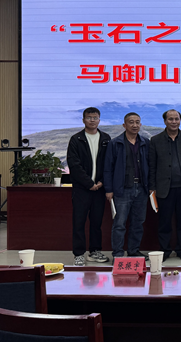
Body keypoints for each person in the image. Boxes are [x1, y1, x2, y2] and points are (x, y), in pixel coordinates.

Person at [67, 107, 111, 266]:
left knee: (96, 222)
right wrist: (89, 183)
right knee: (79, 222)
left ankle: (95, 251)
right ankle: (79, 254)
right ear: (83, 120)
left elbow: (109, 162)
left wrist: (101, 182)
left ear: (99, 120)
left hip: (100, 188)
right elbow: (74, 164)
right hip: (82, 189)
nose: (92, 120)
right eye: (89, 117)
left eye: (95, 117)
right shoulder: (76, 139)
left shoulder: (106, 138)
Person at [104, 112, 150, 260]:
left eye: (137, 122)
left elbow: (150, 165)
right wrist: (109, 189)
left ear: (140, 124)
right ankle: (118, 254)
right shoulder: (115, 143)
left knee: (138, 223)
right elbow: (108, 168)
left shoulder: (145, 143)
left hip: (141, 189)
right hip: (122, 189)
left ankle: (133, 251)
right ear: (124, 125)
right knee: (119, 224)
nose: (134, 125)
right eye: (131, 122)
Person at [149, 110, 181, 261]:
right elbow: (152, 166)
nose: (174, 122)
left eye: (176, 119)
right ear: (165, 121)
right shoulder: (155, 140)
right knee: (164, 222)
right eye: (170, 119)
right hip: (163, 188)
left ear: (180, 120)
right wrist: (152, 186)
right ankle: (165, 250)